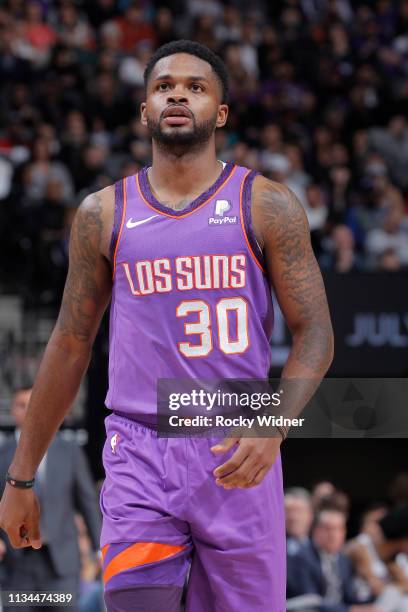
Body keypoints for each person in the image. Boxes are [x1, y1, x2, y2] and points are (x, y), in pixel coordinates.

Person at [0, 40, 334, 612]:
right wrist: (21, 477)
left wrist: (275, 424)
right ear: (145, 110)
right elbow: (71, 342)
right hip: (140, 448)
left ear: (221, 113)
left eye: (196, 87)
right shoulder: (103, 213)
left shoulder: (268, 205)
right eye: (163, 86)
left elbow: (317, 334)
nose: (177, 93)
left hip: (237, 445)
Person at [0, 385, 102, 611]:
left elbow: (87, 503)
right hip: (17, 566)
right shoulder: (2, 453)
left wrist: (99, 548)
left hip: (61, 564)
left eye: (32, 406)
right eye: (21, 405)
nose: (27, 412)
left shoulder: (69, 451)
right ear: (13, 411)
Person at [288, 508, 380, 612]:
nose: (333, 535)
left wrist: (370, 602)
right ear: (316, 530)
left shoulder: (343, 560)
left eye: (338, 529)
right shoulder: (301, 557)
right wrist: (348, 610)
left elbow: (348, 596)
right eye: (328, 528)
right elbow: (309, 600)